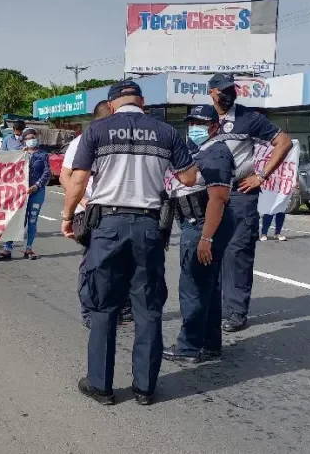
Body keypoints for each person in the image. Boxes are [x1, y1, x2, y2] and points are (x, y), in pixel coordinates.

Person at [62, 80, 196, 406]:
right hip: (149, 227)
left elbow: (78, 180)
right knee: (147, 308)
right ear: (143, 102)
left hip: (107, 226)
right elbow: (190, 178)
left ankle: (101, 386)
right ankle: (145, 389)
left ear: (111, 106)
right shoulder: (166, 132)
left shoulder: (97, 131)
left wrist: (67, 215)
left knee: (104, 305)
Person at [208, 73, 293, 333]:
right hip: (207, 194)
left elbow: (284, 142)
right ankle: (211, 308)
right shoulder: (201, 117)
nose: (227, 94)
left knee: (237, 252)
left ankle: (235, 312)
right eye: (222, 90)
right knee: (206, 251)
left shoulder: (248, 118)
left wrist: (262, 175)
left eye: (231, 89)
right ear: (211, 92)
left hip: (238, 194)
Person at [162, 105, 237, 363]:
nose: (194, 127)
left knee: (193, 287)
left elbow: (218, 198)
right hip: (197, 222)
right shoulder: (203, 149)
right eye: (192, 122)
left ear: (215, 126)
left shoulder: (216, 153)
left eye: (201, 123)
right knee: (207, 286)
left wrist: (206, 238)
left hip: (202, 224)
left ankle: (188, 347)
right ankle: (209, 342)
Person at [61, 100, 132, 329]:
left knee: (122, 260)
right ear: (111, 113)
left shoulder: (120, 138)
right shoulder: (82, 140)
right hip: (90, 213)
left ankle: (122, 306)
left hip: (118, 210)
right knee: (93, 262)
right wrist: (82, 202)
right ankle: (90, 311)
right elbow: (65, 176)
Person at [0, 127, 51, 261]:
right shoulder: (18, 155)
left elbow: (47, 172)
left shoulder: (43, 154)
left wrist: (36, 186)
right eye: (28, 138)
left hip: (36, 192)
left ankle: (29, 249)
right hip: (19, 194)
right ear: (24, 140)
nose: (31, 140)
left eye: (33, 137)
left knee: (32, 221)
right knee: (16, 219)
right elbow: (6, 169)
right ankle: (7, 249)